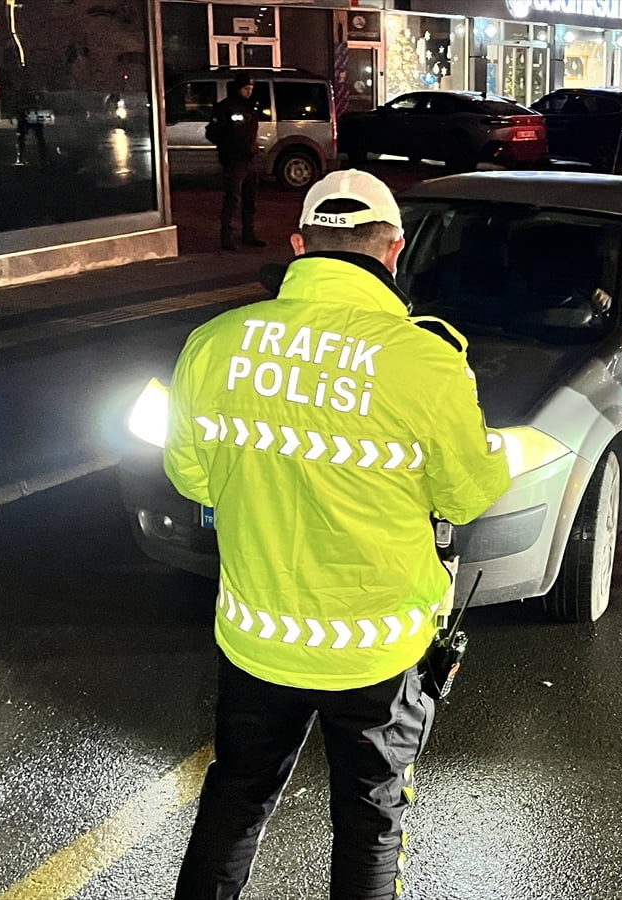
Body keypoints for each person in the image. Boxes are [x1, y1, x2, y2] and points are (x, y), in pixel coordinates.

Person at [166, 168, 511, 899]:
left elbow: (192, 479)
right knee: (370, 821)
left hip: (257, 636)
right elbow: (468, 494)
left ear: (299, 246)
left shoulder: (214, 343)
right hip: (377, 649)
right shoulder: (427, 360)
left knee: (235, 799)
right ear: (393, 250)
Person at [207, 72, 264, 250]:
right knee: (233, 198)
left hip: (250, 158)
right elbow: (213, 133)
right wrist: (229, 145)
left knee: (250, 199)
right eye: (246, 88)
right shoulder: (225, 107)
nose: (249, 92)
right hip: (234, 160)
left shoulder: (251, 106)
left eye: (251, 88)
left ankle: (248, 234)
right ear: (238, 88)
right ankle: (227, 237)